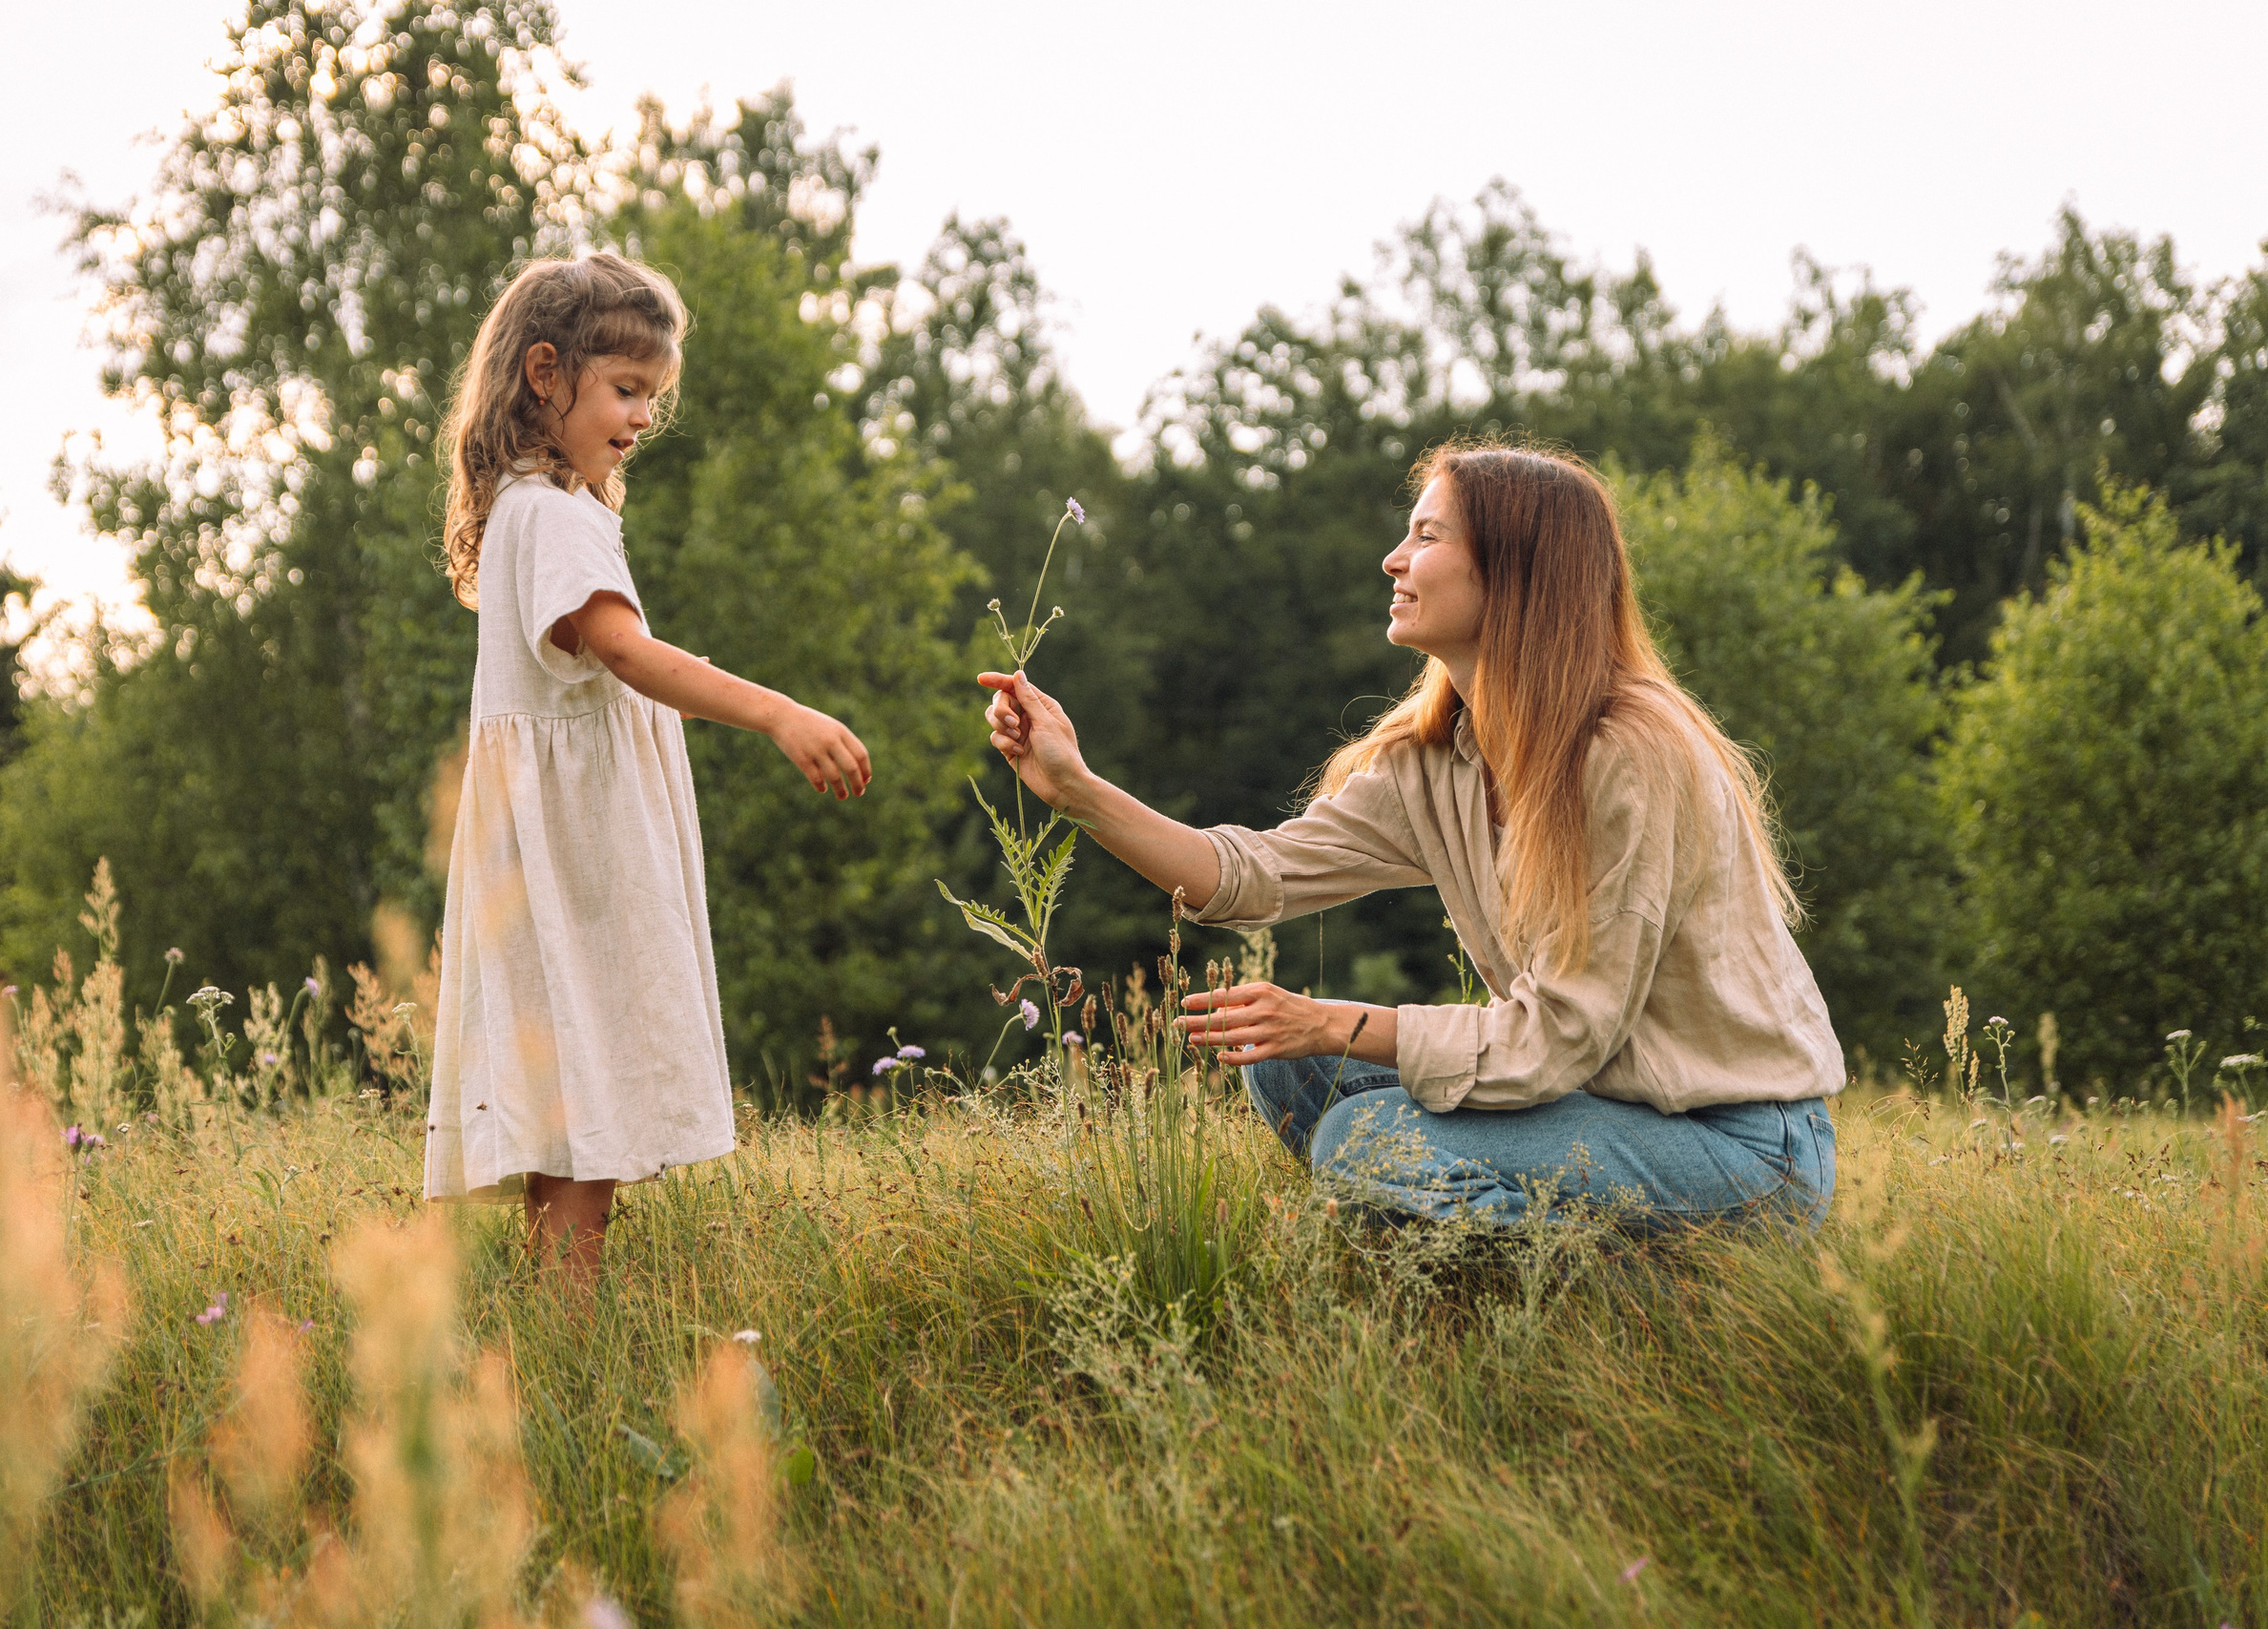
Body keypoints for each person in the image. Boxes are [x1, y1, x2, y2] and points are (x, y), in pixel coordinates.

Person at [982, 444, 1841, 1230]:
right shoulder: (1439, 756)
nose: (1394, 559)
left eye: (1427, 536)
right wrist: (1077, 788)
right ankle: (1481, 1243)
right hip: (1600, 1102)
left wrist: (1333, 1020)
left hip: (1739, 1145)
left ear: (1514, 570)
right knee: (1283, 1067)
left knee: (1360, 1135)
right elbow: (1250, 875)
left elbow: (1561, 1037)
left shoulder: (1630, 753)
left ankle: (1628, 1291)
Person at [423, 254, 871, 1280]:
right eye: (626, 389)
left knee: (571, 1089)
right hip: (579, 853)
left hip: (552, 844)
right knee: (591, 1085)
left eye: (652, 398)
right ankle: (569, 1324)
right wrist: (780, 714)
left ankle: (557, 1318)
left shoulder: (531, 507)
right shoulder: (553, 516)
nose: (641, 418)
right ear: (545, 373)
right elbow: (625, 653)